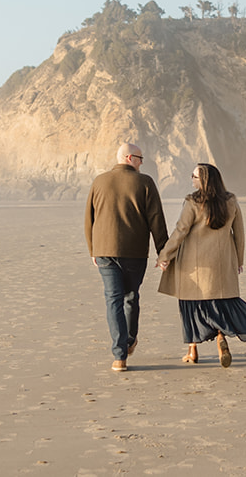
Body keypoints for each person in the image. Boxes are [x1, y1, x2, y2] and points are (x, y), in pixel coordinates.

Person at [156, 162, 246, 367]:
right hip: (223, 262)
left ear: (204, 180)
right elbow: (239, 233)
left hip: (194, 265)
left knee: (192, 305)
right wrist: (239, 260)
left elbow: (181, 231)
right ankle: (221, 337)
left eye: (194, 176)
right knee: (220, 302)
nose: (192, 180)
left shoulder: (193, 201)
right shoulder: (231, 201)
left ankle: (192, 351)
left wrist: (164, 255)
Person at [85, 141, 168, 372]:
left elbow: (88, 218)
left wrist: (93, 249)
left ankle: (119, 356)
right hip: (134, 251)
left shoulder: (99, 181)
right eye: (140, 158)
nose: (142, 163)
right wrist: (163, 251)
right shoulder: (145, 182)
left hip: (104, 251)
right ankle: (128, 342)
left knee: (113, 300)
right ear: (129, 158)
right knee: (130, 297)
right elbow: (156, 219)